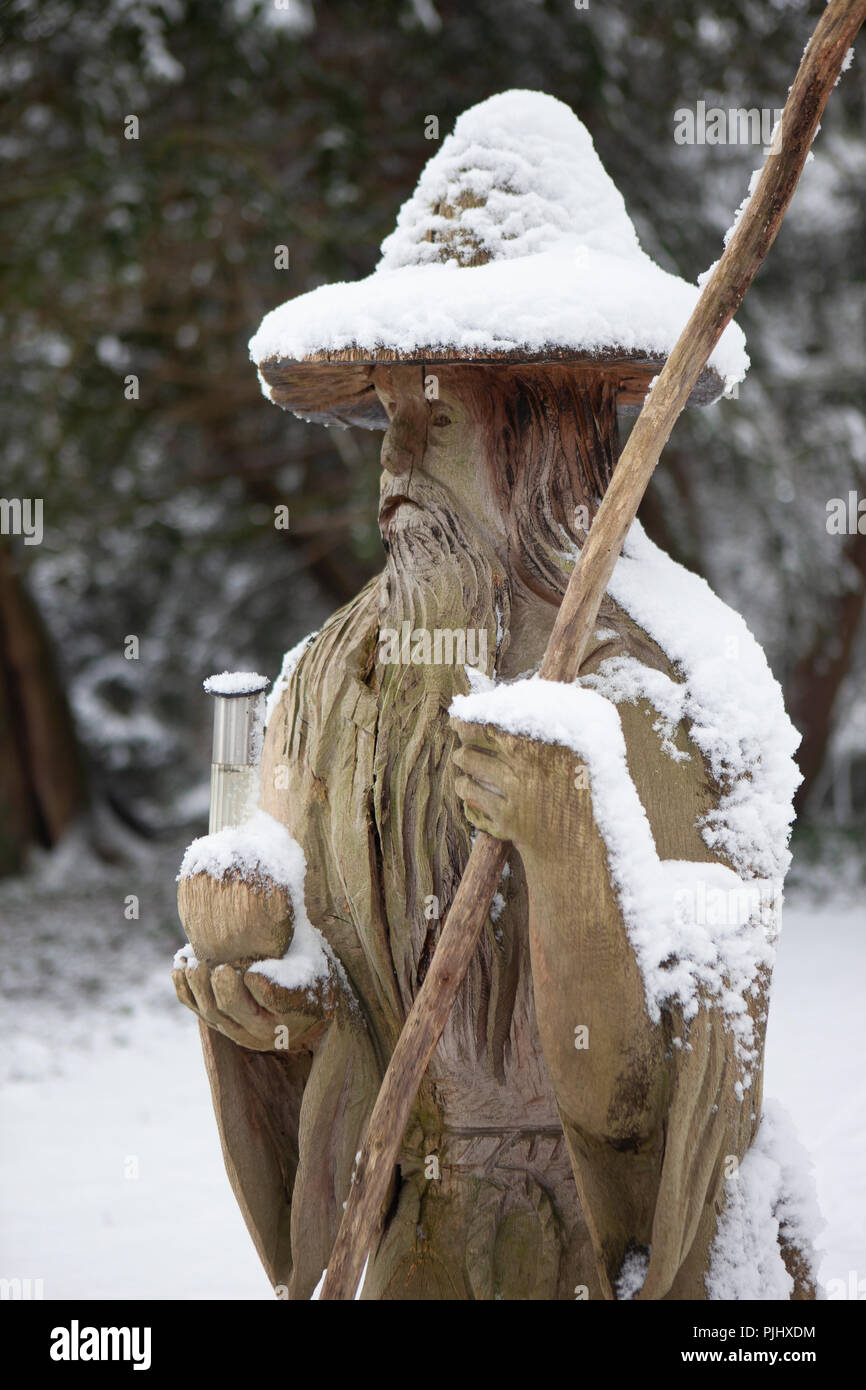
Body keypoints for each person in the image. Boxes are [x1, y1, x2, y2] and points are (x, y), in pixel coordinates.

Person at [173, 92, 817, 1300]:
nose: (396, 458)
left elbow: (666, 1100)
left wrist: (572, 847)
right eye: (387, 416)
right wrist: (258, 973)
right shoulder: (332, 677)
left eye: (437, 417)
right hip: (403, 1246)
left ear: (550, 434)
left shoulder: (669, 683)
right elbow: (327, 1007)